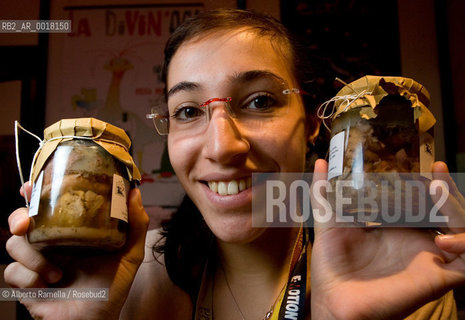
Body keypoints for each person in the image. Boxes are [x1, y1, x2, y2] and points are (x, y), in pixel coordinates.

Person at [5, 8, 465, 320]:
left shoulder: (395, 273)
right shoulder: (130, 278)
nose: (222, 146)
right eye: (188, 111)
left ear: (311, 126)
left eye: (260, 101)